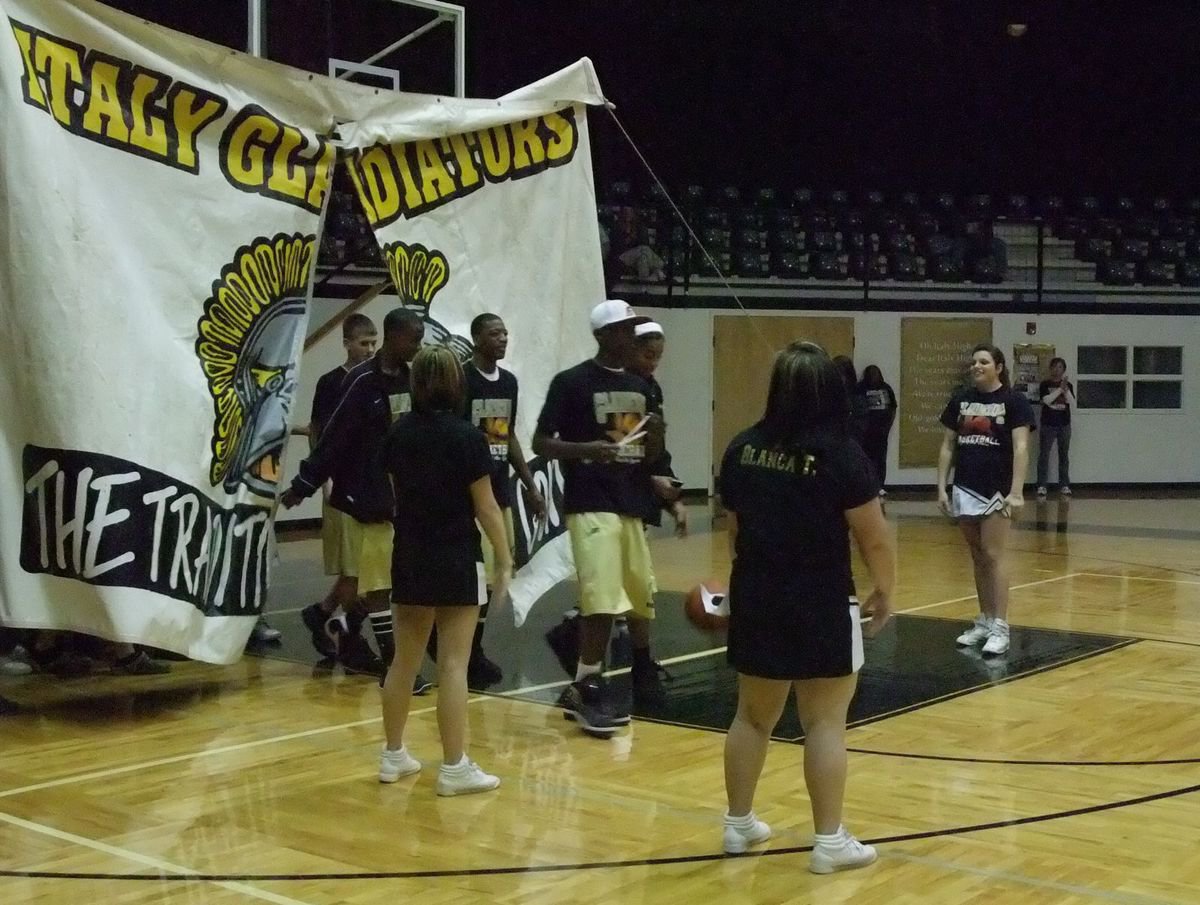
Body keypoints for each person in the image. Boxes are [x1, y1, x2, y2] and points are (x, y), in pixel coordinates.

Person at [718, 341, 894, 870]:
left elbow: (735, 528)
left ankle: (738, 824)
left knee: (751, 716)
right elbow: (874, 539)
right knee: (824, 722)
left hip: (755, 595)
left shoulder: (741, 447)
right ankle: (829, 842)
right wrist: (886, 589)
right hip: (819, 599)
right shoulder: (842, 454)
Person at [376, 345, 513, 796]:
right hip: (455, 556)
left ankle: (393, 754)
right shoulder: (467, 437)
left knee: (404, 659)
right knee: (454, 664)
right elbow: (487, 506)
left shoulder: (397, 434)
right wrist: (506, 557)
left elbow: (398, 495)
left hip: (410, 554)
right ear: (457, 383)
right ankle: (454, 766)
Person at [281, 308, 431, 693]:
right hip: (365, 496)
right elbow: (331, 437)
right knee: (374, 582)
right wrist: (304, 484)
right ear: (394, 336)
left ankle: (336, 622)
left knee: (387, 580)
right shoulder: (360, 383)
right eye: (413, 338)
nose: (418, 345)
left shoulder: (413, 381)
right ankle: (394, 668)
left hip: (403, 499)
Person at [533, 299, 664, 736]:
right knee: (602, 597)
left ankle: (617, 673)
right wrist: (586, 451)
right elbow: (541, 443)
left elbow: (644, 452)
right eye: (628, 330)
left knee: (640, 594)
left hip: (631, 502)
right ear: (605, 336)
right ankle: (586, 684)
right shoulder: (571, 383)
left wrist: (660, 472)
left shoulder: (641, 385)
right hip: (590, 501)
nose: (636, 338)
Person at [426, 313, 546, 689]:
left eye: (506, 333)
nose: (503, 339)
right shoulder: (462, 379)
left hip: (499, 489)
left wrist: (529, 484)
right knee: (471, 578)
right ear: (477, 338)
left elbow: (506, 435)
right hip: (466, 494)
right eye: (495, 333)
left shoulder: (508, 382)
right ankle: (456, 648)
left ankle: (471, 650)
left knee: (495, 579)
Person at [937, 343, 1034, 656]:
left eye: (983, 361)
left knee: (994, 555)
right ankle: (985, 619)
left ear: (999, 367)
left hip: (997, 490)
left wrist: (1016, 492)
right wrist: (942, 487)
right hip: (965, 487)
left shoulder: (1014, 401)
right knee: (977, 556)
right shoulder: (961, 400)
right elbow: (948, 445)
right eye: (974, 362)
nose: (976, 366)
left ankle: (1001, 626)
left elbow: (1021, 448)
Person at [295, 313, 379, 660]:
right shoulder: (332, 382)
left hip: (370, 484)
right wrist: (323, 477)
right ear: (346, 343)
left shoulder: (377, 379)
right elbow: (319, 431)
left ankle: (323, 613)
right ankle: (346, 630)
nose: (370, 349)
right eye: (364, 343)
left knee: (366, 564)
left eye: (374, 342)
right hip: (341, 483)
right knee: (354, 565)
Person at [1036, 357, 1075, 499]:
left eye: (1060, 367)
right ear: (1050, 369)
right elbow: (1046, 400)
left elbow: (1071, 402)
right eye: (1054, 367)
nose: (1057, 370)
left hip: (1064, 424)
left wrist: (1065, 389)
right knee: (1044, 455)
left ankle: (1064, 484)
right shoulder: (1045, 384)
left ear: (1063, 369)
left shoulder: (1068, 385)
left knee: (1064, 455)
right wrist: (1060, 389)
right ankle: (1041, 485)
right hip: (1048, 424)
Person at [855, 365, 897, 494]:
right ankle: (866, 485)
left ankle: (880, 485)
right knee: (865, 459)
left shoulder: (886, 388)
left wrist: (888, 426)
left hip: (881, 432)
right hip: (865, 432)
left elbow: (893, 407)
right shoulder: (860, 388)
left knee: (880, 460)